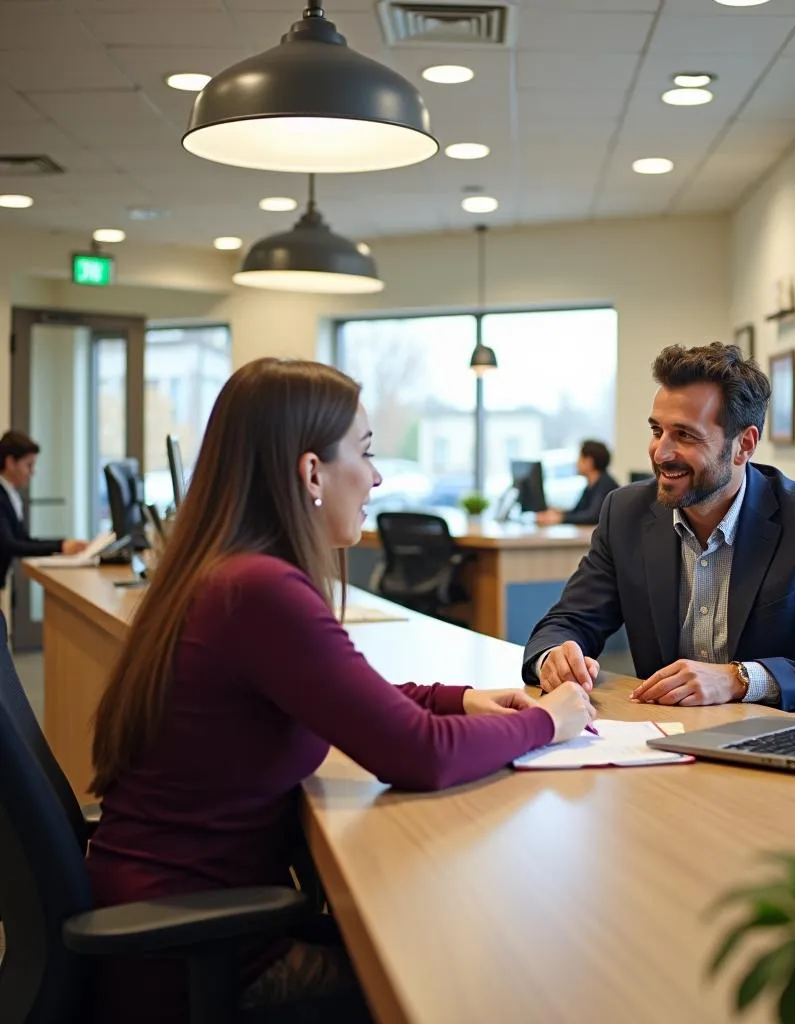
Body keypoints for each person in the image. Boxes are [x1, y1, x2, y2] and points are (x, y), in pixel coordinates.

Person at [86, 359, 594, 1024]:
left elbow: (350, 694)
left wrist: (464, 698)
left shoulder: (223, 573)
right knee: (474, 979)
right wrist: (548, 723)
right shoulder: (261, 591)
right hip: (194, 958)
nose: (379, 477)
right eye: (366, 452)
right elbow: (419, 756)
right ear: (311, 473)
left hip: (171, 917)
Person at [522, 342, 795, 717]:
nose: (660, 452)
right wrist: (556, 657)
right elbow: (566, 622)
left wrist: (741, 680)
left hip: (772, 741)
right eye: (657, 431)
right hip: (661, 740)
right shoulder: (625, 514)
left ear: (744, 446)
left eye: (685, 435)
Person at [0, 430, 88, 589]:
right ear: (10, 462)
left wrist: (62, 544)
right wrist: (59, 546)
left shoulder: (10, 495)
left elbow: (23, 540)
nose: (32, 472)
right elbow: (9, 544)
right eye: (28, 465)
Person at [536, 439, 620, 526]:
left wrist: (561, 518)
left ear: (589, 462)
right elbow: (578, 511)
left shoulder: (605, 485)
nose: (577, 463)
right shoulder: (591, 485)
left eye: (580, 458)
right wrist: (557, 514)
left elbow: (592, 517)